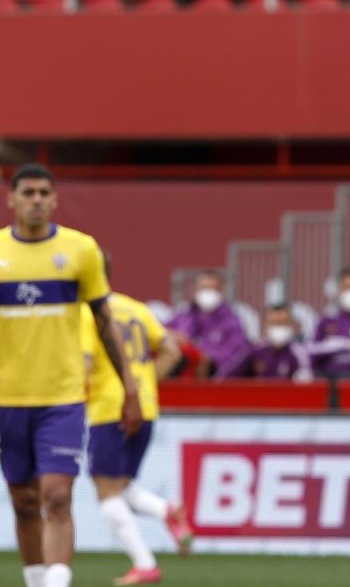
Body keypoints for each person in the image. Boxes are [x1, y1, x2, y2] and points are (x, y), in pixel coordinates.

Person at [1, 163, 143, 587]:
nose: (37, 200)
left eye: (45, 192)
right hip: (7, 400)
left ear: (55, 199)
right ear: (12, 199)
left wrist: (129, 387)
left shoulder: (81, 251)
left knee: (58, 497)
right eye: (28, 192)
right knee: (25, 502)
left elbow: (104, 321)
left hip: (61, 398)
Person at [81, 251, 192, 586]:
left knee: (106, 491)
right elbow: (173, 350)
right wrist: (145, 383)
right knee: (119, 484)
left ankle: (144, 564)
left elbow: (86, 362)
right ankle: (165, 511)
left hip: (109, 406)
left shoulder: (88, 312)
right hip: (145, 405)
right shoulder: (137, 308)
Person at [168, 270, 252, 380]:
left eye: (212, 288)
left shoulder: (232, 321)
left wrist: (208, 359)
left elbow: (237, 355)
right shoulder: (183, 316)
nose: (207, 292)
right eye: (203, 288)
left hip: (213, 381)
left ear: (222, 290)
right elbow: (163, 334)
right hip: (179, 377)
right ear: (196, 289)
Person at [246, 303, 315, 382]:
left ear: (291, 325)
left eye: (283, 323)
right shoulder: (254, 351)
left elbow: (307, 383)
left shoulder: (299, 353)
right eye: (274, 322)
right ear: (265, 325)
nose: (278, 326)